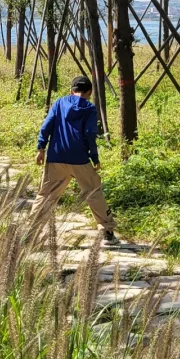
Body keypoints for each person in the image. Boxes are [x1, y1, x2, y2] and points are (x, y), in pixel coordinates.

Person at [35, 75, 118, 244]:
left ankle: (31, 233)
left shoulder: (59, 103)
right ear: (90, 92)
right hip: (79, 158)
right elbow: (89, 134)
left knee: (46, 195)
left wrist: (41, 148)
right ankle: (107, 232)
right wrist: (94, 156)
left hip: (56, 156)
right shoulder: (90, 108)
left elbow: (46, 126)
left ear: (71, 91)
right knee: (93, 191)